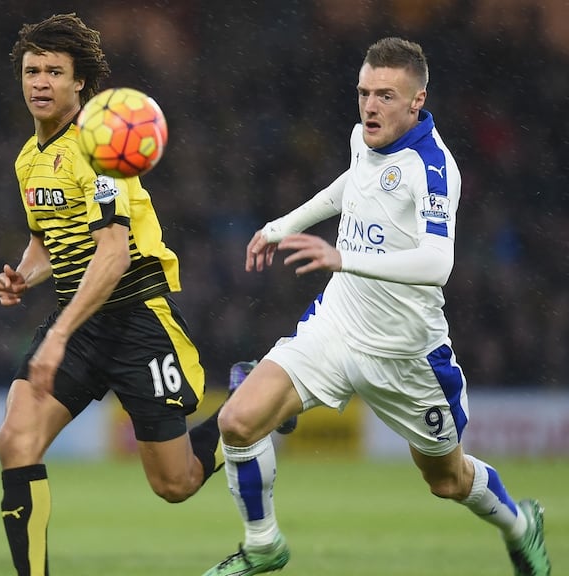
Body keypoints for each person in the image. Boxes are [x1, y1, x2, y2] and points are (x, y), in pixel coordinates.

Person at [202, 37, 551, 576]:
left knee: (447, 481)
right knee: (237, 421)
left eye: (386, 95)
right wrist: (283, 226)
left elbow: (438, 264)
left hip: (407, 354)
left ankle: (520, 525)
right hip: (338, 325)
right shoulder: (362, 139)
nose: (370, 106)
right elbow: (352, 187)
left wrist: (344, 258)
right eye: (364, 93)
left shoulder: (433, 168)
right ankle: (263, 543)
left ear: (417, 100)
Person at [0, 13, 223, 575]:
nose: (39, 82)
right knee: (16, 440)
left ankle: (245, 409)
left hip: (136, 318)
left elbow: (114, 254)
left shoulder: (101, 148)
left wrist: (57, 337)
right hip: (81, 316)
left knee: (175, 484)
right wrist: (24, 273)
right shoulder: (29, 157)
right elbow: (48, 238)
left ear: (79, 84)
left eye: (53, 71)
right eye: (31, 71)